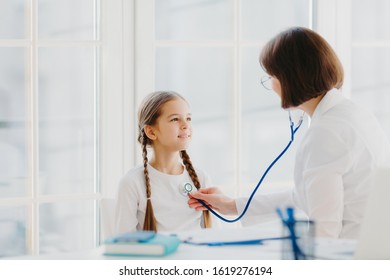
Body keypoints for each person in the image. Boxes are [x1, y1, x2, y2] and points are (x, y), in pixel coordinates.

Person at [188, 27, 390, 239]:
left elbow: (324, 230)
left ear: (291, 78)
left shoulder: (326, 132)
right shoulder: (353, 113)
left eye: (272, 77)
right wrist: (234, 206)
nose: (272, 85)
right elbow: (307, 196)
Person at [115, 91, 212, 233]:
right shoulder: (132, 183)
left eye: (188, 118)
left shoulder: (201, 178)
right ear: (151, 132)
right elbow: (124, 244)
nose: (186, 125)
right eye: (175, 119)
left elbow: (214, 235)